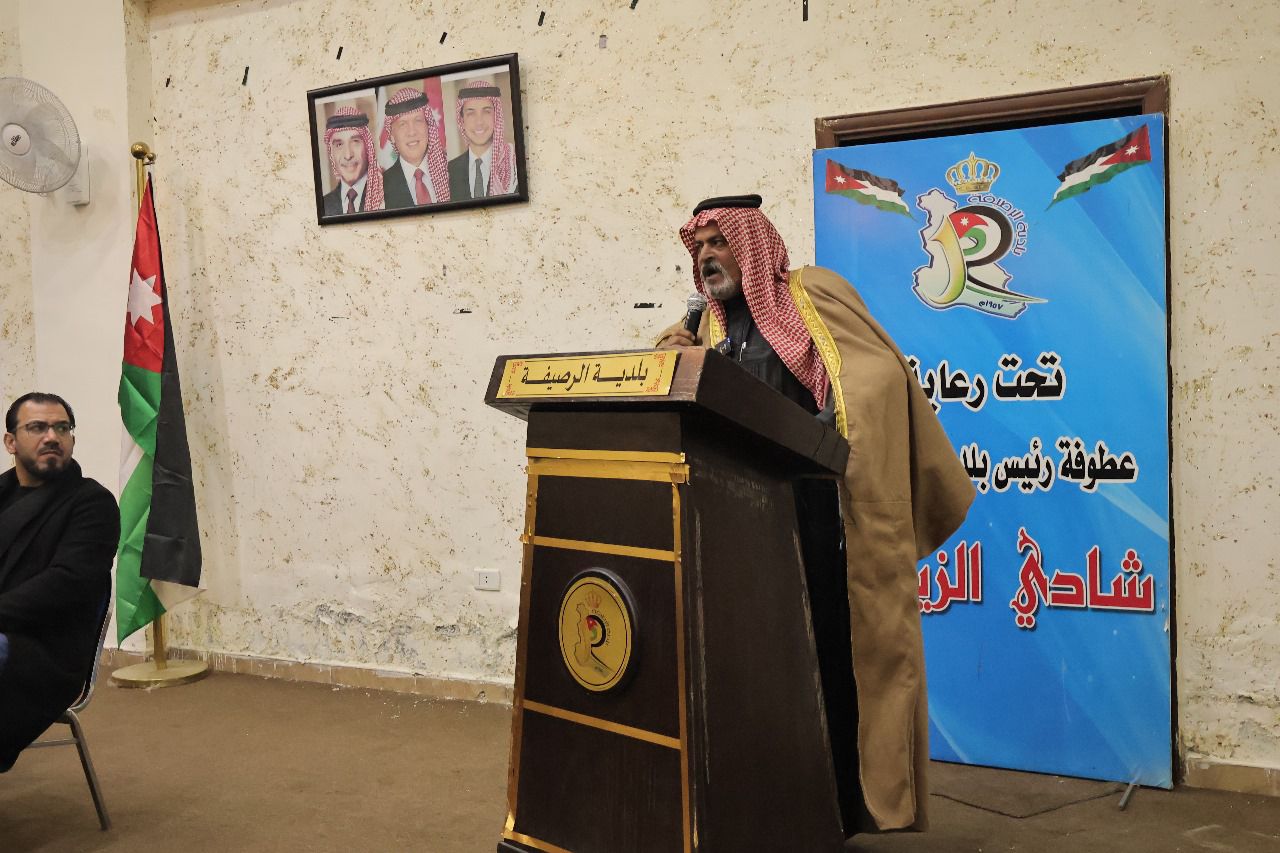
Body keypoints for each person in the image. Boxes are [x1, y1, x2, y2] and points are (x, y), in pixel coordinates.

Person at [657, 195, 975, 834]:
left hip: (815, 519)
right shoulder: (703, 329)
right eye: (699, 246)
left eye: (719, 241)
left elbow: (875, 378)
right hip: (732, 528)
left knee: (827, 654)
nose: (707, 256)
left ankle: (834, 807)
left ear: (751, 244)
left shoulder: (811, 297)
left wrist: (821, 433)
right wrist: (674, 349)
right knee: (751, 664)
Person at [0, 393, 120, 772]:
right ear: (11, 441)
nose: (52, 436)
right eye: (37, 427)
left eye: (62, 428)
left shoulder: (92, 504)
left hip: (44, 651)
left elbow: (66, 584)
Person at [447, 80, 519, 200]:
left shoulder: (513, 166)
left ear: (496, 117)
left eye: (486, 112)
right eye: (471, 113)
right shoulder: (448, 171)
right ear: (462, 121)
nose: (479, 122)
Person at [381, 87, 451, 208]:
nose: (412, 132)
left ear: (428, 126)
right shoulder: (381, 188)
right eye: (403, 124)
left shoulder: (453, 172)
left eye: (418, 120)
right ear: (392, 135)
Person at [321, 107, 384, 215]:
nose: (348, 155)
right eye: (339, 145)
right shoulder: (323, 206)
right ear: (331, 153)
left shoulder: (386, 195)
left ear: (368, 147)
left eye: (355, 142)